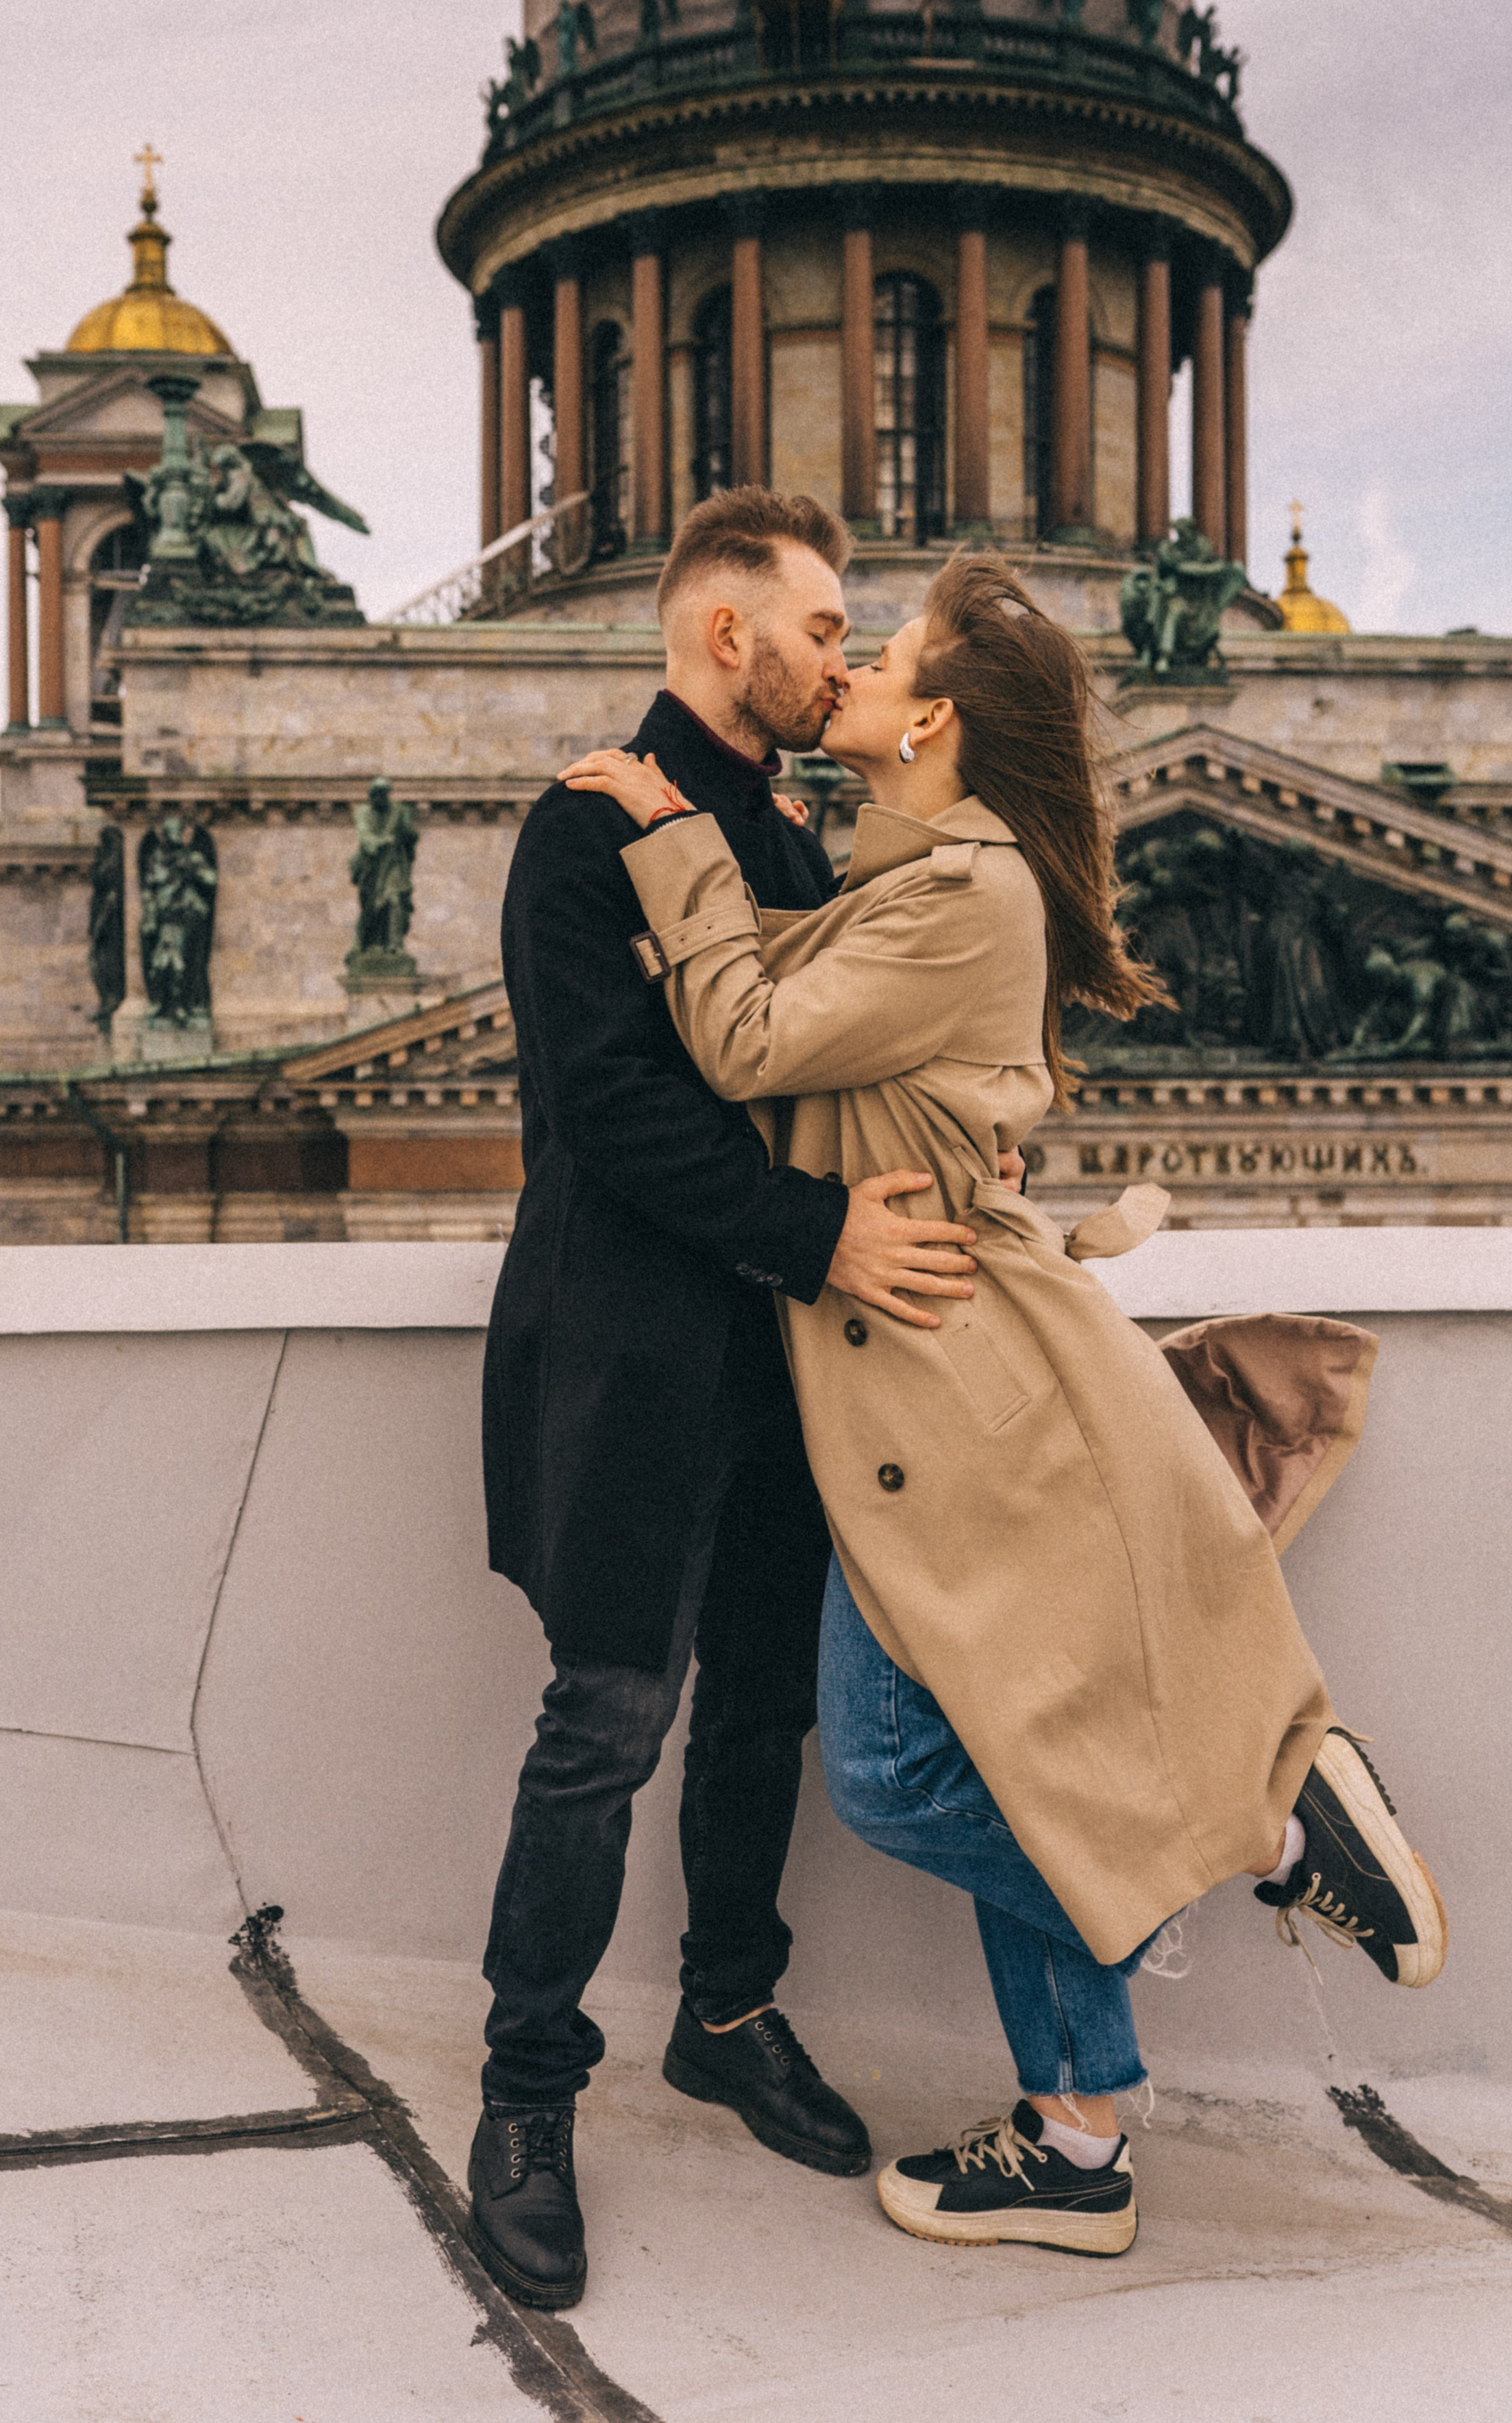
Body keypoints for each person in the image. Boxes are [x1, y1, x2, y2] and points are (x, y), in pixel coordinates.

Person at [565, 550, 1446, 2260]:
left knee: (900, 1783)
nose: (846, 678)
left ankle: (1265, 1836)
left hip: (954, 1396)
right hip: (917, 1381)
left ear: (933, 719)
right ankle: (1078, 2136)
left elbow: (746, 1044)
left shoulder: (958, 886)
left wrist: (663, 832)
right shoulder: (911, 870)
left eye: (873, 655)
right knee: (1007, 1757)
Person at [470, 490, 1026, 2312]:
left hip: (786, 1369)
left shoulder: (793, 834)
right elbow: (619, 1121)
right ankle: (527, 2094)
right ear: (728, 636)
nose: (839, 662)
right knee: (605, 1726)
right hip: (637, 1360)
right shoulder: (583, 830)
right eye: (819, 631)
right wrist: (819, 1238)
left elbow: (840, 1064)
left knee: (761, 1717)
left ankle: (727, 2016)